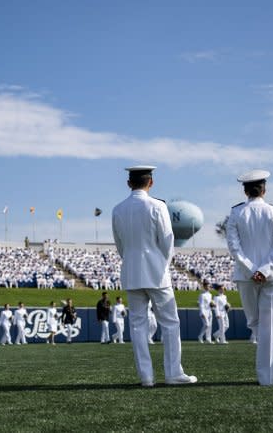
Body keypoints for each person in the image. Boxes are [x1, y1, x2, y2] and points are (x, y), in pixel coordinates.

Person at [112, 165, 197, 386]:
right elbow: (168, 242)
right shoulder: (158, 206)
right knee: (169, 323)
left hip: (131, 272)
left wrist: (132, 262)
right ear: (151, 182)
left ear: (129, 183)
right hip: (157, 272)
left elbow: (120, 245)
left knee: (138, 326)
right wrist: (161, 265)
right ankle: (173, 373)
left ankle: (146, 377)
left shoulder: (117, 209)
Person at [226, 169, 273, 386]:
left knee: (255, 322)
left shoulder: (236, 213)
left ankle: (268, 377)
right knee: (271, 324)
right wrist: (265, 269)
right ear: (264, 189)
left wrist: (251, 269)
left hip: (246, 277)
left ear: (245, 191)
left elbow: (234, 247)